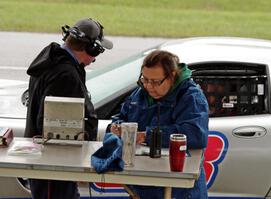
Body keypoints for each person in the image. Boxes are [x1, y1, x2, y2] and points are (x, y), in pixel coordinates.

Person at [24, 18, 113, 199]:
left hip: (49, 161)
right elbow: (52, 125)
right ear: (91, 48)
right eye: (98, 51)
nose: (96, 57)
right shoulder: (65, 74)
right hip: (54, 163)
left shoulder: (53, 62)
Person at [110, 50, 209, 199]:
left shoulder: (191, 96)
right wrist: (118, 126)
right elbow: (121, 116)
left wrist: (147, 136)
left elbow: (196, 134)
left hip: (179, 189)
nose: (149, 86)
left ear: (172, 76)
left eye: (156, 82)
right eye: (145, 79)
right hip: (143, 185)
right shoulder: (140, 93)